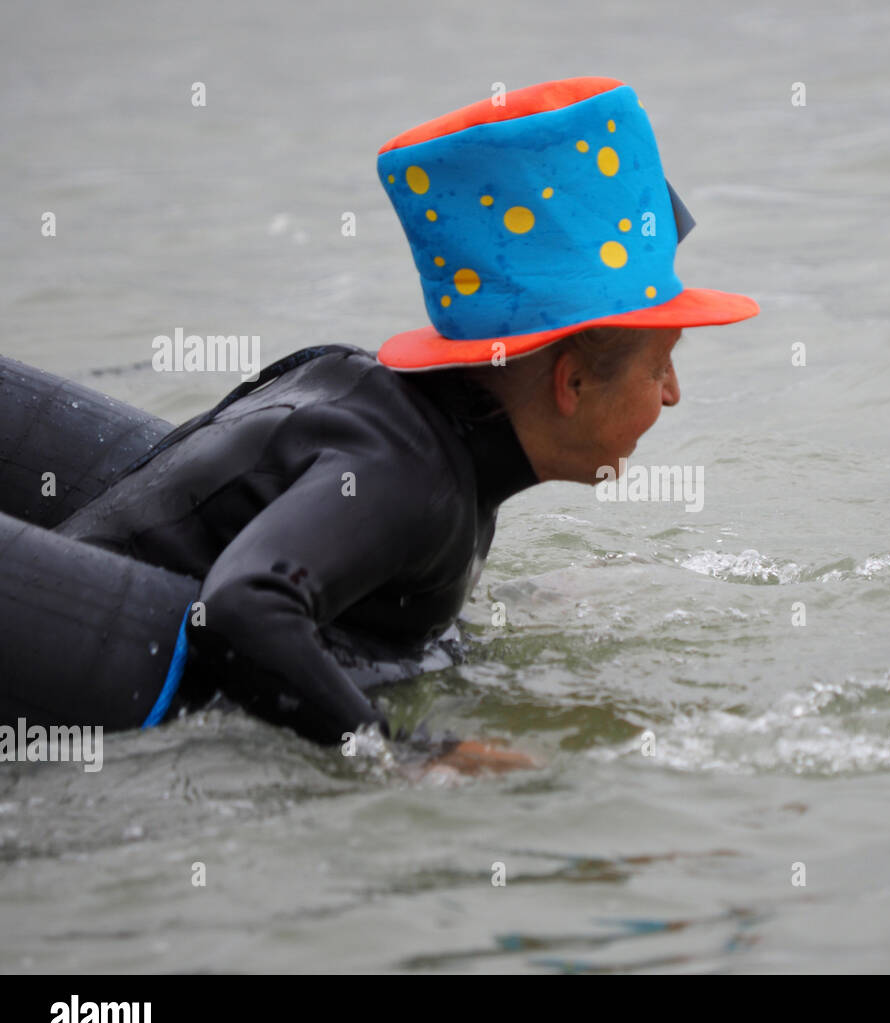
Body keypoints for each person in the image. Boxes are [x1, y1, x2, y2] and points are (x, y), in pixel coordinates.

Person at [12, 76, 759, 754]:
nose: (672, 394)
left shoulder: (398, 416)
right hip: (88, 654)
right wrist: (407, 754)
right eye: (661, 365)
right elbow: (244, 606)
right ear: (568, 383)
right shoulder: (409, 477)